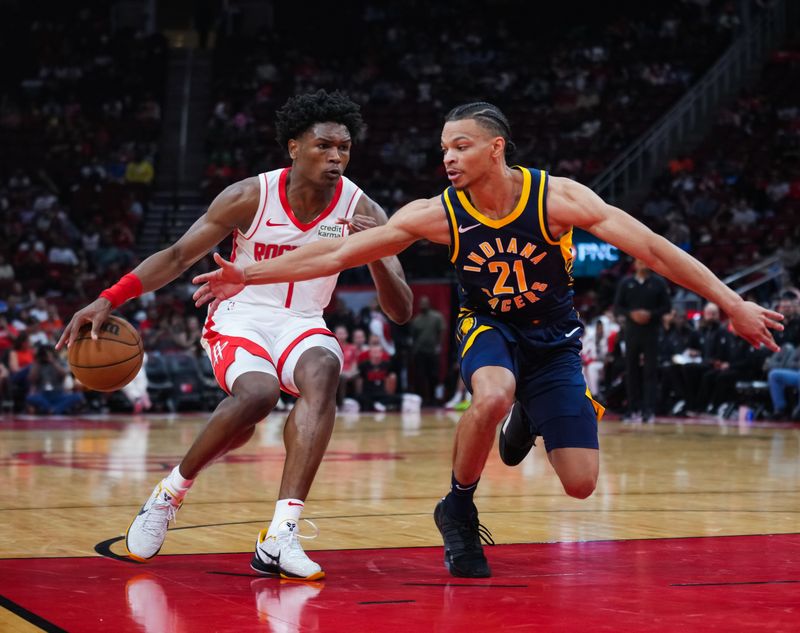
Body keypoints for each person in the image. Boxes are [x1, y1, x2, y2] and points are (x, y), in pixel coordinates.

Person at [192, 101, 783, 578]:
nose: (447, 157)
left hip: (553, 342)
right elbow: (341, 250)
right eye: (444, 148)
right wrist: (247, 273)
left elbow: (653, 247)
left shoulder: (559, 199)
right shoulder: (439, 213)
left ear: (496, 149)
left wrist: (730, 303)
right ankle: (459, 504)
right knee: (492, 393)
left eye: (461, 146)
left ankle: (532, 409)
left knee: (580, 486)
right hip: (489, 326)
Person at [56, 90, 413, 580]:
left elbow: (401, 310)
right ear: (293, 147)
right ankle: (168, 496)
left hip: (304, 321)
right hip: (240, 315)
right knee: (259, 394)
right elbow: (180, 256)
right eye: (324, 146)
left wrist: (374, 248)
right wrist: (108, 298)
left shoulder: (360, 207)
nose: (336, 157)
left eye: (344, 148)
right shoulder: (251, 196)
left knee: (324, 368)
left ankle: (280, 535)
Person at [613, 258, 671, 423]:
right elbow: (618, 306)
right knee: (631, 370)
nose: (642, 263)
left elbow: (666, 307)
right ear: (634, 264)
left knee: (650, 371)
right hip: (631, 332)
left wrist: (650, 314)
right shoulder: (626, 282)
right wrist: (631, 314)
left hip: (651, 331)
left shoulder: (659, 283)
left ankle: (649, 410)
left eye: (645, 260)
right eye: (639, 260)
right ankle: (632, 409)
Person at [409, 295, 445, 405]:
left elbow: (442, 331)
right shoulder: (416, 320)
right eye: (421, 303)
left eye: (425, 303)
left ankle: (433, 398)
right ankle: (422, 399)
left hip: (432, 352)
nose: (423, 305)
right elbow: (413, 336)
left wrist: (439, 345)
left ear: (429, 304)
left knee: (433, 375)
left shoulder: (437, 317)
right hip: (420, 352)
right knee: (420, 376)